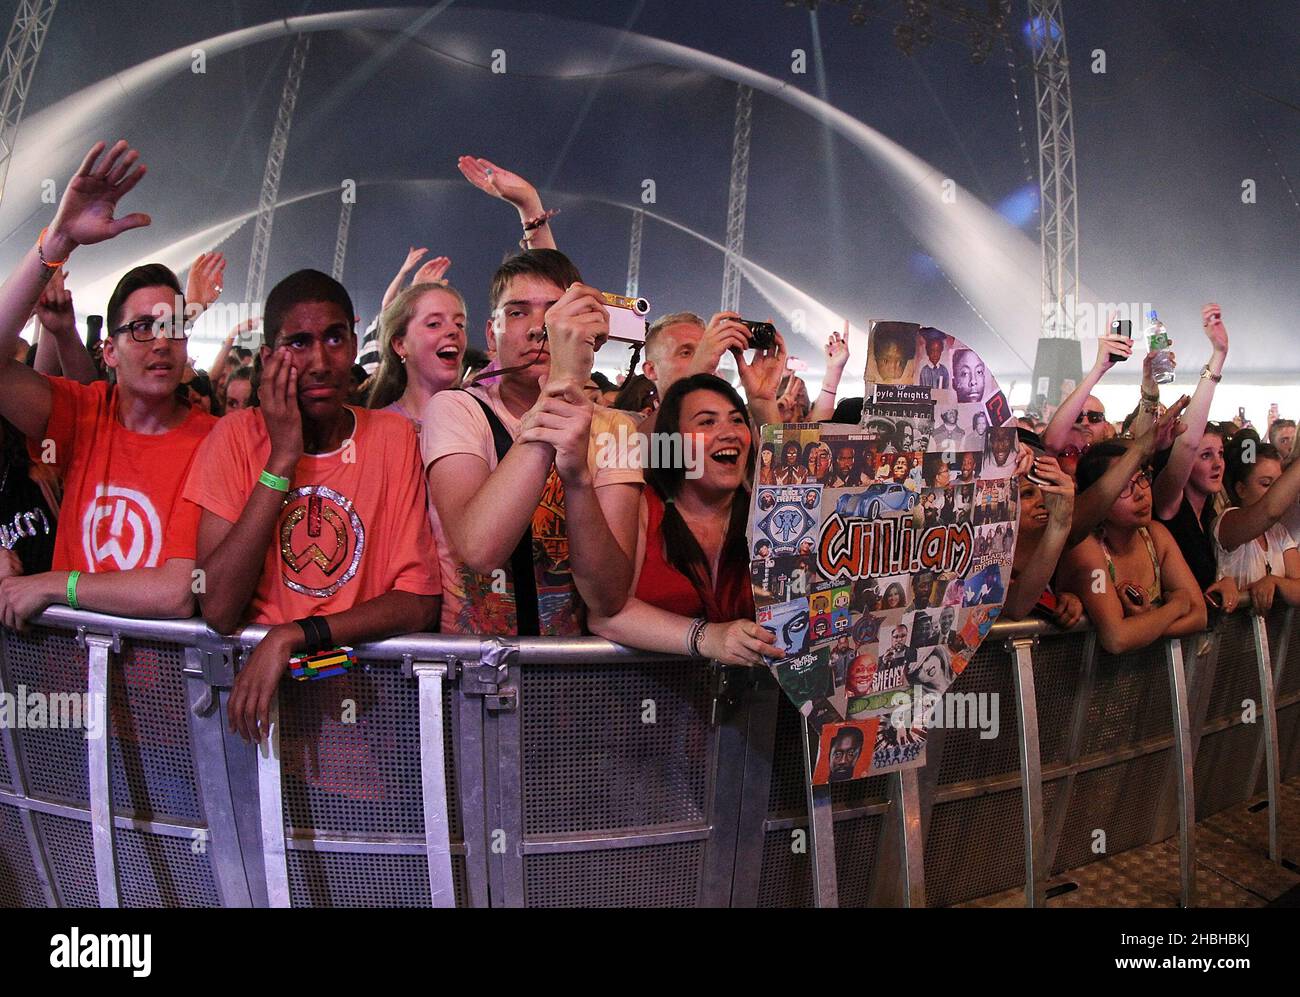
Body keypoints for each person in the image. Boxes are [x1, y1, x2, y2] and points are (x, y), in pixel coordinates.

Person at [184, 269, 441, 742]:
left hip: (372, 720)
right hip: (261, 725)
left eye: (334, 338)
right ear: (267, 359)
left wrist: (293, 635)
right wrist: (282, 458)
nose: (320, 361)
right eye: (299, 343)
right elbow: (217, 607)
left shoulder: (392, 437)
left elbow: (419, 601)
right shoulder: (236, 437)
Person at [0, 141, 213, 629]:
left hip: (166, 697)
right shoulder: (82, 413)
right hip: (69, 686)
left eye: (174, 325)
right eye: (142, 328)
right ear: (110, 352)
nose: (160, 341)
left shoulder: (215, 440)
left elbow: (177, 591)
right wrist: (57, 242)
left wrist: (57, 583)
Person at [422, 249, 641, 635]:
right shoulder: (457, 409)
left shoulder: (615, 430)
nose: (539, 328)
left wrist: (579, 481)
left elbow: (609, 597)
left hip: (571, 673)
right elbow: (479, 549)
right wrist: (559, 393)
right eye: (518, 312)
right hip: (473, 667)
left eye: (556, 314)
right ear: (492, 335)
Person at [589, 374, 780, 665]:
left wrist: (764, 404)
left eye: (737, 420)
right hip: (651, 701)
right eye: (707, 422)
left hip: (752, 704)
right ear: (673, 442)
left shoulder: (769, 514)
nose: (728, 432)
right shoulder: (642, 508)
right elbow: (605, 616)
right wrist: (706, 637)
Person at [1057, 443, 1207, 654]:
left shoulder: (1155, 536)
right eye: (1123, 487)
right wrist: (1176, 606)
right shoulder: (1086, 549)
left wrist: (1144, 626)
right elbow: (1116, 638)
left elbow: (1200, 615)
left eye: (1142, 478)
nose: (1140, 494)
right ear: (1098, 498)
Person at [1150, 304, 1233, 597]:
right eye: (1206, 455)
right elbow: (1187, 441)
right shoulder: (1169, 504)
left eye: (1221, 454)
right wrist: (1217, 357)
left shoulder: (1210, 515)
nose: (1217, 464)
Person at [1211, 432, 1300, 613]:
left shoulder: (1279, 532)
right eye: (1267, 484)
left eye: (1280, 484)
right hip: (1231, 638)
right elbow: (1270, 510)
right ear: (1241, 489)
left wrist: (1275, 581)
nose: (1278, 493)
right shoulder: (1227, 522)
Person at [365, 281, 468, 429]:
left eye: (459, 324)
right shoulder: (377, 429)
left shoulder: (480, 419)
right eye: (434, 324)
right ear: (400, 345)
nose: (454, 330)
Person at [1004, 455, 1084, 628]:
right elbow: (1015, 606)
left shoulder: (1065, 555)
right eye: (1027, 493)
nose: (1044, 501)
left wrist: (1064, 601)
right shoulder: (989, 563)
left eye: (1049, 489)